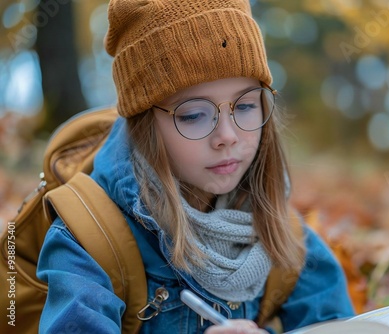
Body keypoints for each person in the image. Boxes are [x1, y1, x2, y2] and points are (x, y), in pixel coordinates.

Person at [36, 0, 355, 333]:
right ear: (144, 126)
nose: (227, 136)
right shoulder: (89, 239)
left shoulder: (285, 237)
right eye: (193, 114)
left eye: (245, 105)